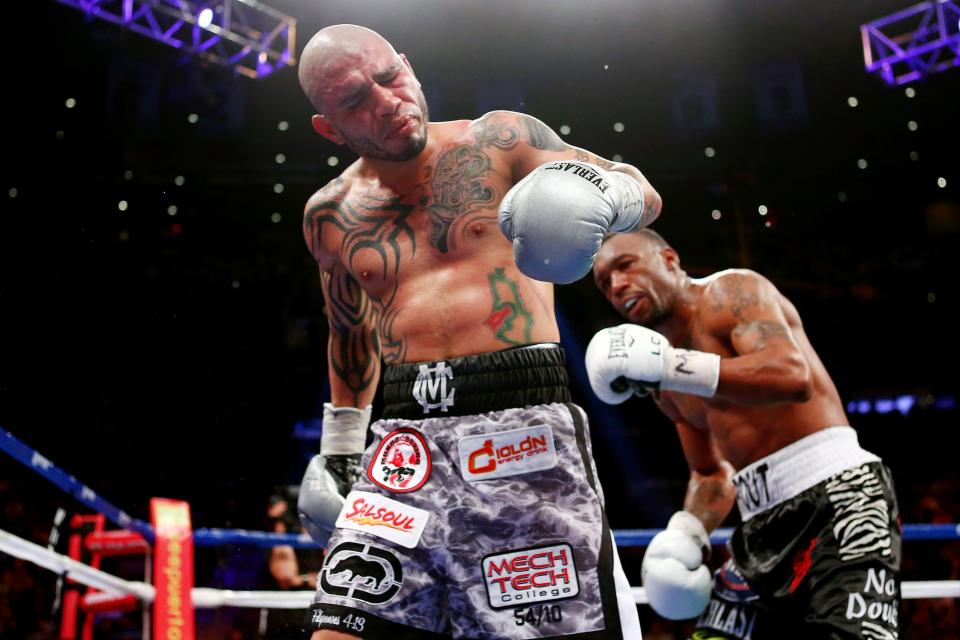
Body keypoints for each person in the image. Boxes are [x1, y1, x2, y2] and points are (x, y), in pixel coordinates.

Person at [294, 23, 662, 639]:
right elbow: (349, 332)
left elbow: (643, 191)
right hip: (400, 443)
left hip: (521, 428)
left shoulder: (501, 139)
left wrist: (599, 195)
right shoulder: (327, 215)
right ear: (329, 127)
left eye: (391, 78)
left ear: (408, 66)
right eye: (357, 100)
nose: (388, 102)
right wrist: (340, 445)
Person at [586, 229, 901, 639]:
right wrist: (688, 533)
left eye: (625, 265)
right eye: (604, 282)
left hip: (840, 499)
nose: (616, 285)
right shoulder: (660, 378)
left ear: (668, 258)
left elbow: (792, 376)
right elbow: (710, 474)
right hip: (760, 524)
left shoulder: (730, 293)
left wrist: (672, 366)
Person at [261, 487, 323, 639]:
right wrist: (279, 522)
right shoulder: (281, 535)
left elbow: (332, 579)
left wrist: (302, 578)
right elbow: (286, 575)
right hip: (284, 620)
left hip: (317, 619)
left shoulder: (328, 534)